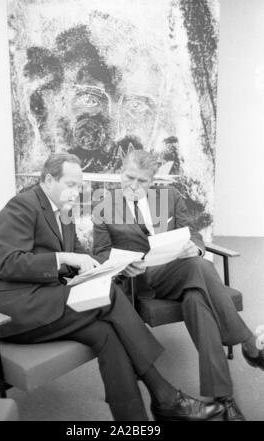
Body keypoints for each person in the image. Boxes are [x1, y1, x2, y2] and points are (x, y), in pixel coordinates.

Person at [0, 152, 223, 422]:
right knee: (109, 294)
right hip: (15, 312)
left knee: (106, 333)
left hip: (48, 299)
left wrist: (117, 265)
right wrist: (64, 259)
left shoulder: (64, 213)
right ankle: (165, 395)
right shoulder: (20, 206)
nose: (77, 191)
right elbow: (9, 263)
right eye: (71, 184)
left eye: (79, 185)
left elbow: (87, 258)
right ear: (49, 180)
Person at [93, 149, 264, 421]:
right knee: (200, 268)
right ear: (120, 172)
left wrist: (192, 249)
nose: (135, 186)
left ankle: (223, 396)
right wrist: (123, 265)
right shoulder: (105, 204)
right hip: (142, 280)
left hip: (181, 272)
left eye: (143, 181)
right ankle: (249, 343)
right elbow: (100, 252)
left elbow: (193, 234)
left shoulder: (170, 197)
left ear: (153, 180)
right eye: (130, 178)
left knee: (197, 297)